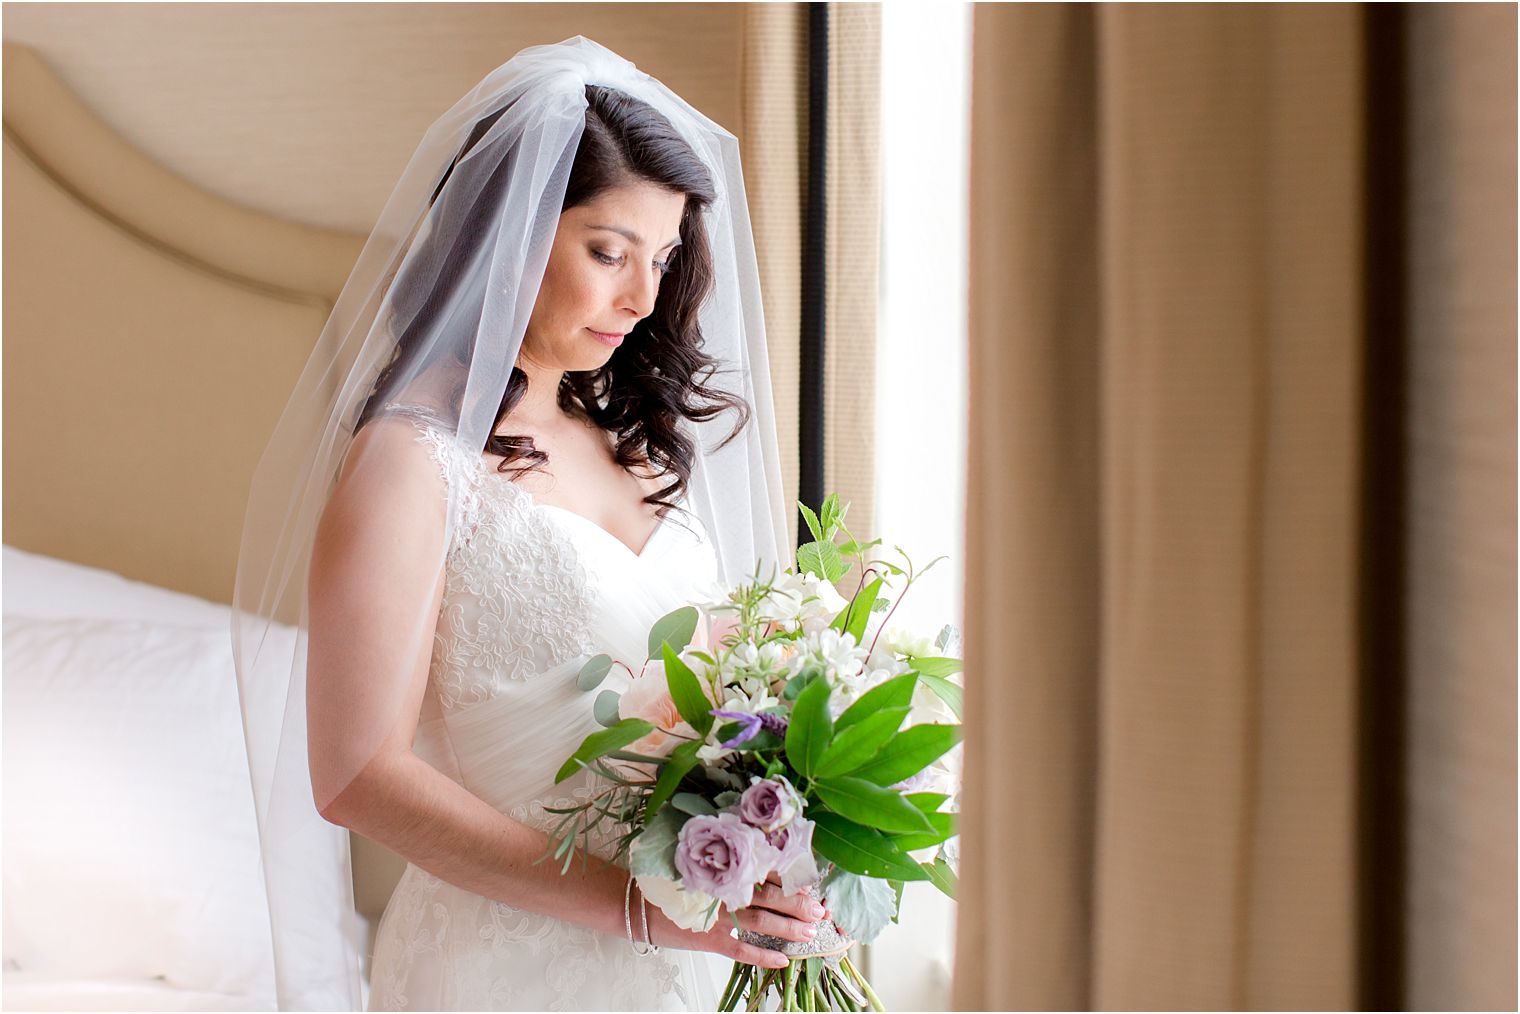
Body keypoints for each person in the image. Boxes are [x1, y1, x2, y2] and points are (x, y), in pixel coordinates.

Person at [231, 37, 797, 1011]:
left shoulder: (640, 440)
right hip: (501, 965)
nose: (642, 297)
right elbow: (357, 774)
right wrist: (626, 907)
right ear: (509, 231)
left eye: (662, 260)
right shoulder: (413, 461)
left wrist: (771, 837)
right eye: (608, 253)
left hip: (686, 955)